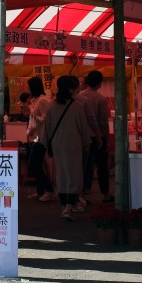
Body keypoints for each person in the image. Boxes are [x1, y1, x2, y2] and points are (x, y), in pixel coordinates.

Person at [42, 76, 91, 220]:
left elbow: (47, 128)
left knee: (62, 175)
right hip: (74, 144)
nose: (80, 88)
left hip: (57, 144)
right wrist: (86, 143)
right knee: (75, 175)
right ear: (71, 89)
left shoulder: (51, 105)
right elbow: (84, 130)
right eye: (78, 86)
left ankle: (64, 207)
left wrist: (46, 145)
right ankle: (69, 207)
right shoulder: (77, 106)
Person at [77, 70, 112, 203]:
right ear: (99, 83)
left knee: (84, 165)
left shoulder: (79, 96)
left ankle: (82, 194)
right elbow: (103, 121)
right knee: (102, 166)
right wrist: (106, 139)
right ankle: (105, 193)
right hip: (98, 137)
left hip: (83, 136)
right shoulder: (101, 99)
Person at [25, 76, 54, 201]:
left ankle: (49, 189)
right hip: (36, 137)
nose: (27, 89)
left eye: (29, 86)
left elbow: (46, 119)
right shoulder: (36, 100)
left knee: (34, 164)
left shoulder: (42, 101)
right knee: (36, 164)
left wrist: (32, 116)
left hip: (42, 138)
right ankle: (41, 190)